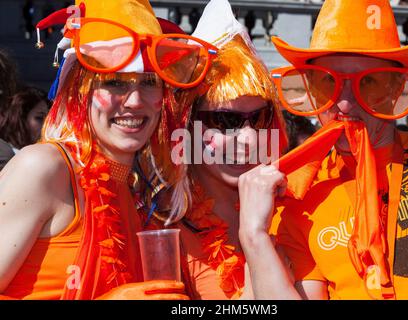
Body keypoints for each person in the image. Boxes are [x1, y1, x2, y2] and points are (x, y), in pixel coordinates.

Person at [0, 0, 216, 300]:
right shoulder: (43, 168)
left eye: (149, 82)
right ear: (79, 91)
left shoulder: (137, 191)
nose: (135, 102)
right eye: (114, 83)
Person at [239, 0, 408, 300]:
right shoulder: (301, 197)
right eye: (328, 82)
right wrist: (253, 236)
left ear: (395, 89)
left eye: (370, 83)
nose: (345, 104)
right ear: (310, 88)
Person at [147, 0, 287, 300]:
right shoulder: (159, 227)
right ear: (186, 123)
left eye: (259, 118)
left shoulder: (293, 211)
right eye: (225, 120)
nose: (248, 139)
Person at [0, 87, 50, 153]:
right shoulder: (5, 155)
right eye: (39, 118)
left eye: (48, 119)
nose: (46, 125)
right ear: (19, 119)